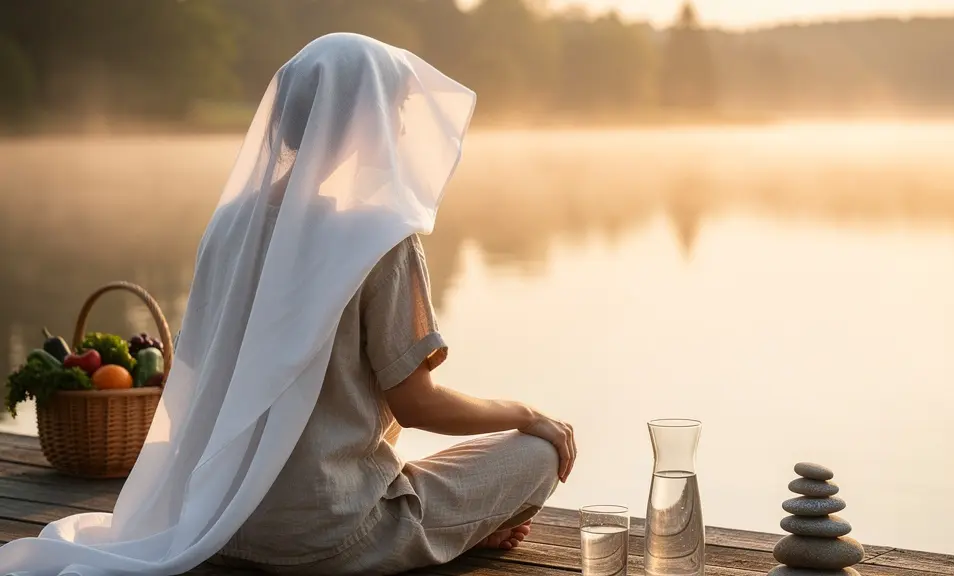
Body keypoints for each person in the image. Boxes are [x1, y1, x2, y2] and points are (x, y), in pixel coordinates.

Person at [0, 33, 574, 576]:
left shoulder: (231, 225)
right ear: (365, 121)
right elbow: (417, 403)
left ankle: (464, 521)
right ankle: (470, 526)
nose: (401, 124)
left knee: (398, 466)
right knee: (538, 451)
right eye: (392, 108)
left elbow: (196, 376)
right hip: (330, 536)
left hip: (215, 522)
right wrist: (528, 414)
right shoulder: (380, 237)